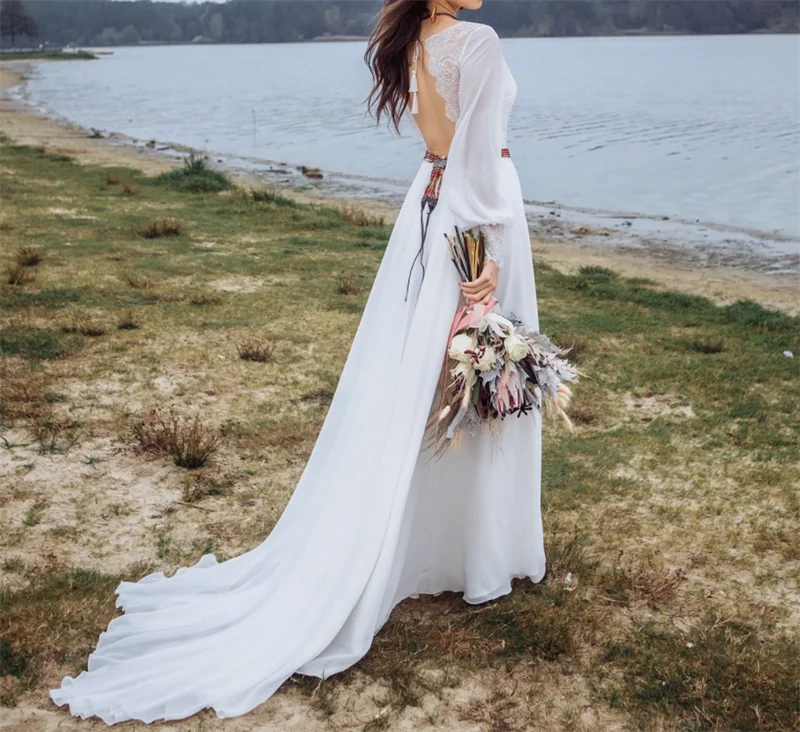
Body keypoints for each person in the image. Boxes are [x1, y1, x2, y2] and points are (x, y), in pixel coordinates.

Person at [50, 0, 544, 724]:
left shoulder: (414, 38)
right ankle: (474, 555)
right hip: (474, 211)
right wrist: (490, 260)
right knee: (470, 385)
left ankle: (441, 546)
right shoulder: (476, 39)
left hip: (428, 205)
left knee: (425, 388)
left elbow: (440, 145)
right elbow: (476, 153)